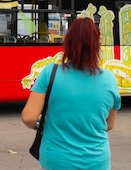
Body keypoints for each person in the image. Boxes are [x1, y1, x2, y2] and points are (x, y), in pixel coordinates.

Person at [21, 17, 121, 170]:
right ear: (97, 46)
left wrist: (40, 125)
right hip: (96, 161)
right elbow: (109, 125)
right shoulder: (109, 79)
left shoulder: (50, 73)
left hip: (57, 161)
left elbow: (29, 118)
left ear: (68, 43)